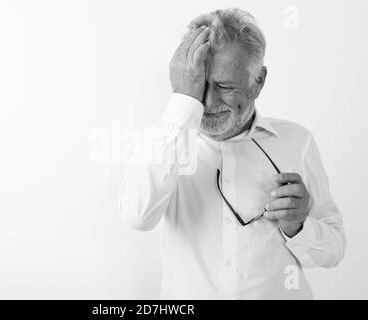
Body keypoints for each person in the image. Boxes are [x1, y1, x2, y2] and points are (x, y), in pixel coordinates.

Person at [117, 8, 346, 299]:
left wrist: (299, 227)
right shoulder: (163, 141)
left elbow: (335, 251)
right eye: (200, 85)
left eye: (225, 86)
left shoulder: (297, 141)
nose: (209, 103)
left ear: (259, 81)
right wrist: (183, 99)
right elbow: (138, 216)